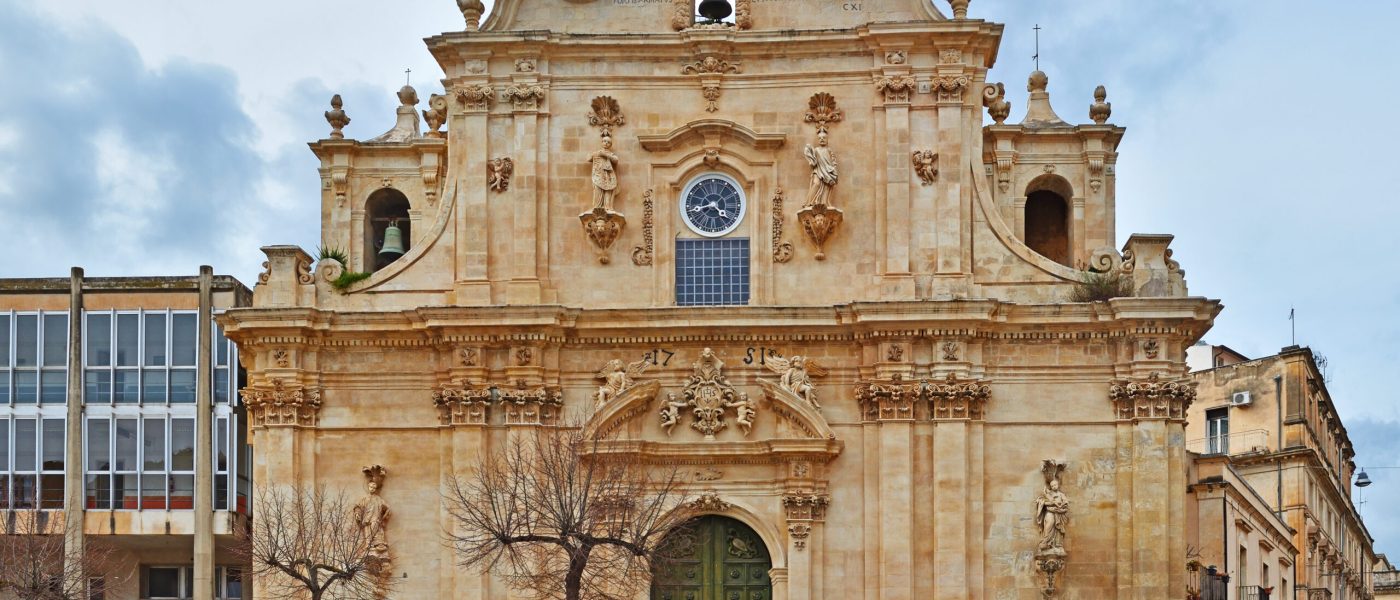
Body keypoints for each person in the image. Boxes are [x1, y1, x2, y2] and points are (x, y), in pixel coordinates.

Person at [802, 131, 838, 208]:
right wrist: (809, 154)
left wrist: (834, 168)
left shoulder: (829, 150)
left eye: (824, 138)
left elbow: (833, 160)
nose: (822, 139)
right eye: (820, 138)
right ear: (818, 140)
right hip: (818, 171)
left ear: (827, 140)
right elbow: (813, 160)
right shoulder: (816, 150)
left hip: (828, 171)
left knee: (827, 186)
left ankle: (824, 203)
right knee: (816, 184)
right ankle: (808, 202)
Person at [589, 135, 620, 210]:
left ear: (610, 145)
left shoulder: (611, 154)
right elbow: (589, 158)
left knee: (608, 190)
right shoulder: (597, 153)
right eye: (604, 141)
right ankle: (597, 207)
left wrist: (606, 155)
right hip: (598, 176)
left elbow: (615, 160)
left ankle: (607, 207)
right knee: (598, 190)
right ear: (602, 142)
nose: (606, 143)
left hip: (608, 176)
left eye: (608, 142)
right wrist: (594, 155)